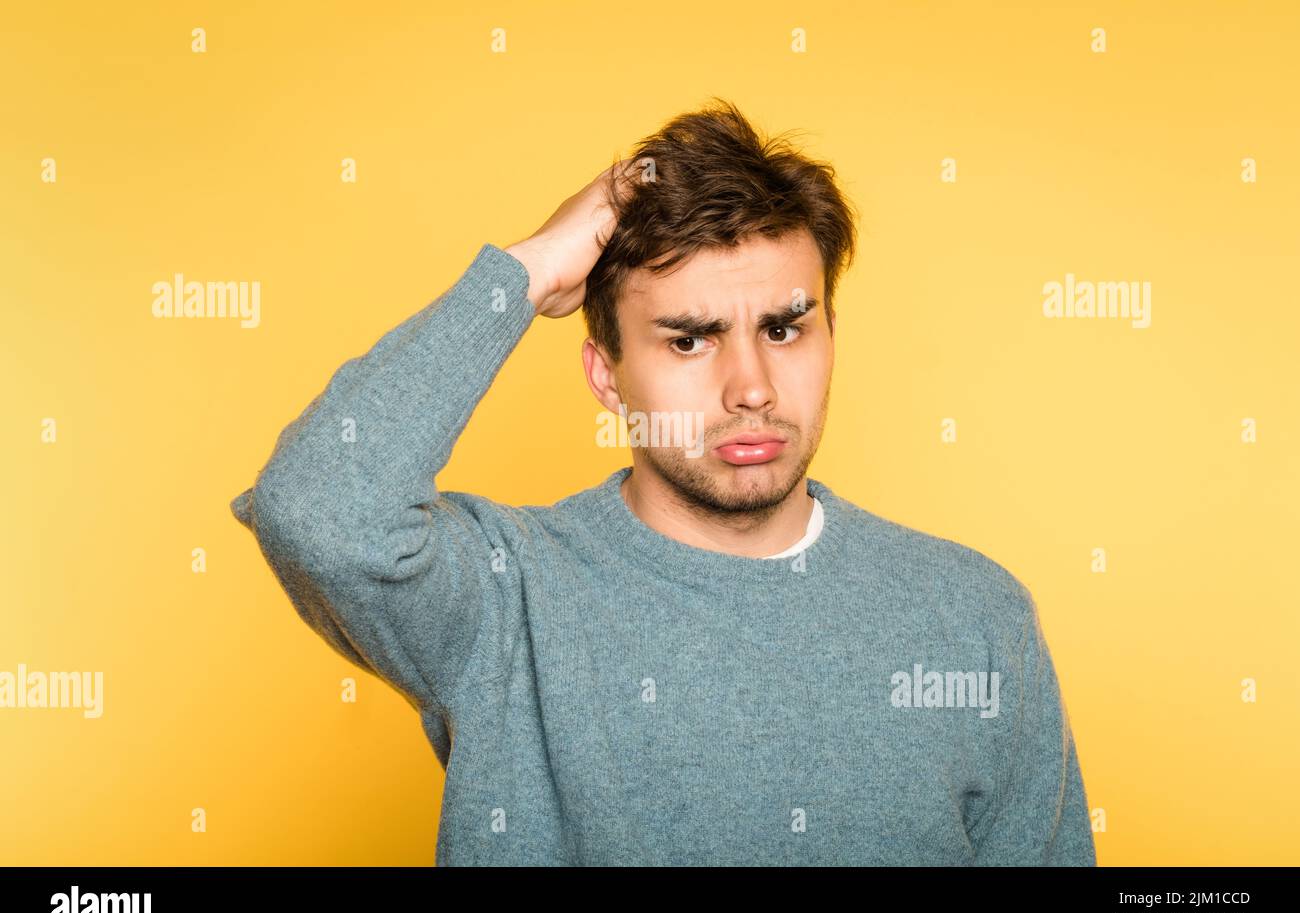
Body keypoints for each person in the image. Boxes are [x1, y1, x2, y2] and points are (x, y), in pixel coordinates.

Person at [230, 98, 1096, 866]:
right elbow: (316, 507)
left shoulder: (975, 615)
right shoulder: (505, 598)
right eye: (689, 339)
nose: (751, 386)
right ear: (607, 376)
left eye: (786, 330)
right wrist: (527, 270)